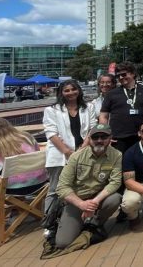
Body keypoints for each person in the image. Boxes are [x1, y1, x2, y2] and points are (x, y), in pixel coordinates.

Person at [54, 124, 122, 249]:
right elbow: (62, 187)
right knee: (63, 242)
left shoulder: (116, 155)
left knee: (115, 198)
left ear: (110, 138)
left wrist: (94, 202)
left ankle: (95, 223)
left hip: (97, 198)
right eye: (95, 137)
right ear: (89, 139)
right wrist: (82, 204)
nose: (99, 140)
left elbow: (115, 182)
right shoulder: (76, 157)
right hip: (77, 200)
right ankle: (78, 222)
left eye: (104, 137)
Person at [43, 79, 97, 213]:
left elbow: (92, 128)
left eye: (74, 89)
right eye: (66, 90)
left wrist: (83, 148)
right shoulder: (51, 110)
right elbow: (51, 133)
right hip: (59, 155)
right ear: (61, 93)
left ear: (79, 90)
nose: (71, 93)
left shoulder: (88, 107)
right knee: (55, 189)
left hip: (82, 153)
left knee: (81, 187)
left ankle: (73, 217)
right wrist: (68, 152)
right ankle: (49, 222)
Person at [0, 118, 47, 194]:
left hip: (8, 188)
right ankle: (29, 205)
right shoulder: (27, 137)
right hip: (38, 183)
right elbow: (36, 154)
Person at [99, 62, 143, 153]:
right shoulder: (111, 94)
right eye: (118, 76)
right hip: (118, 139)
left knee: (141, 164)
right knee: (121, 166)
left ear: (133, 73)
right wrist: (106, 135)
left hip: (141, 136)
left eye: (123, 74)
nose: (121, 77)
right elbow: (103, 116)